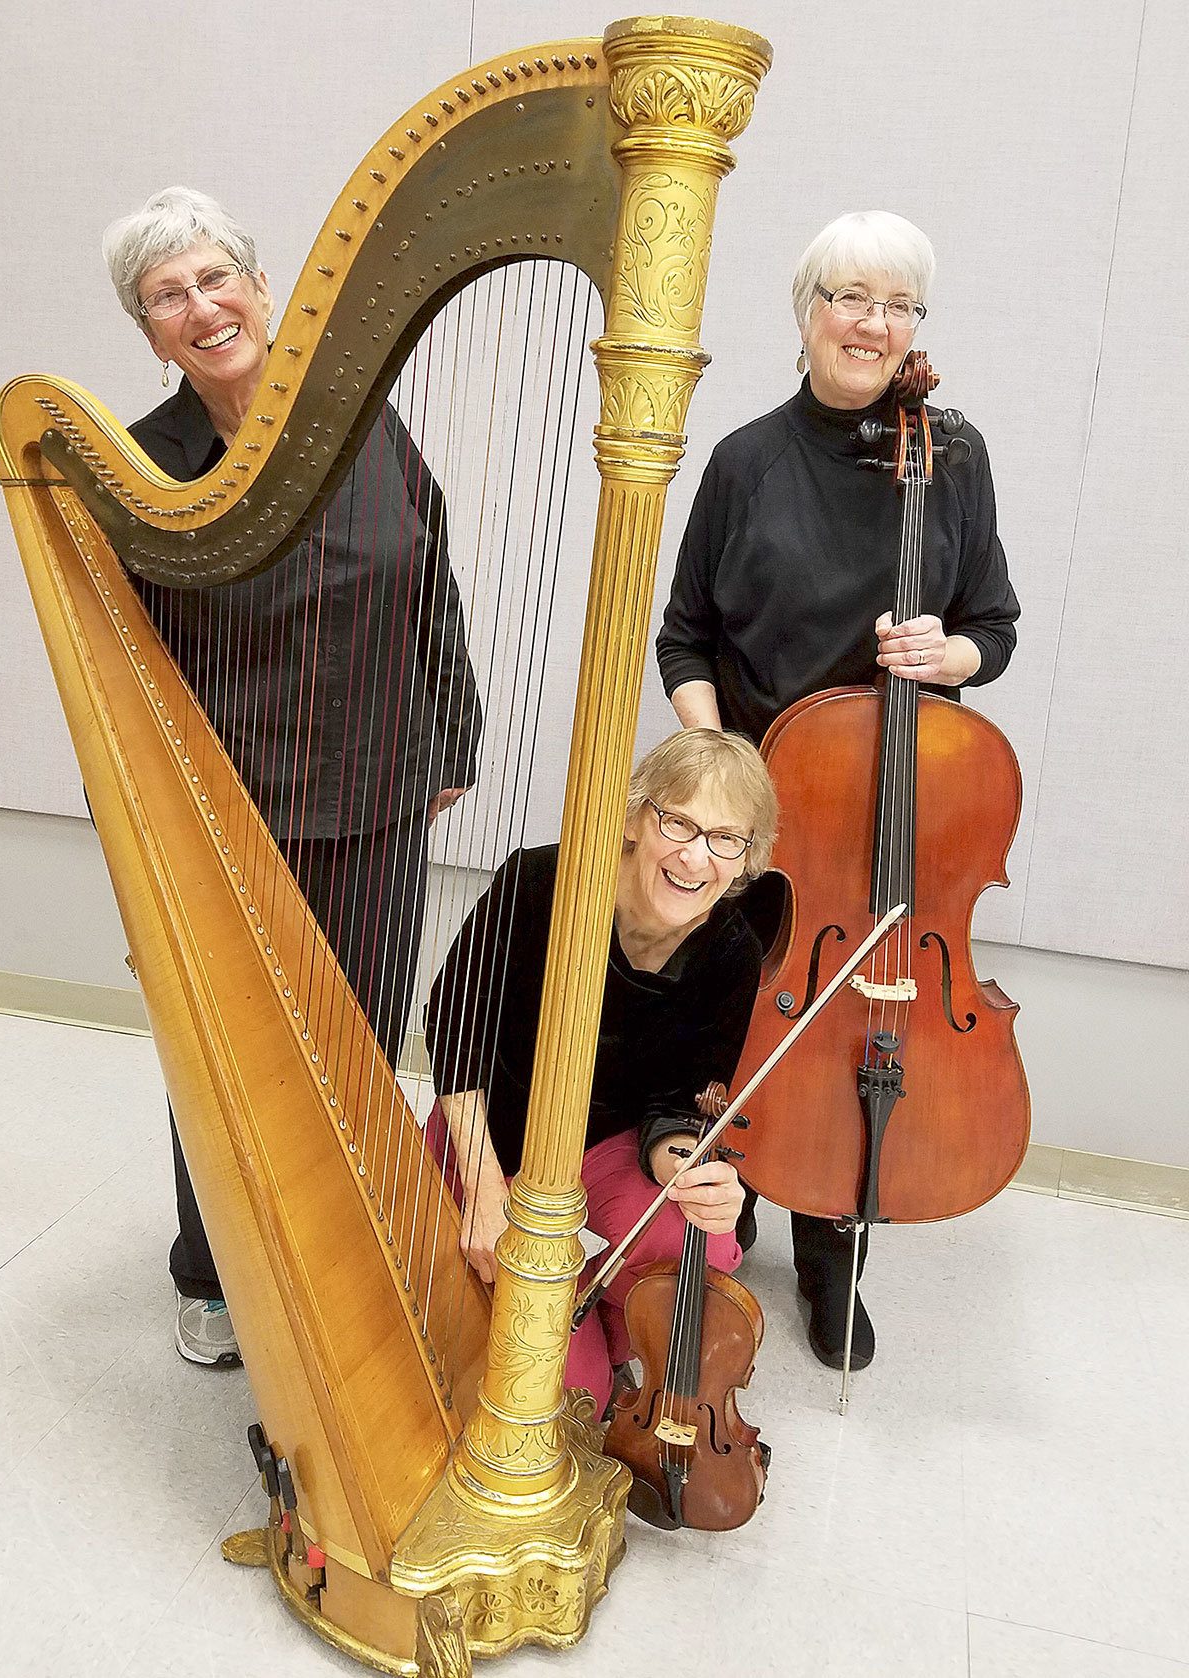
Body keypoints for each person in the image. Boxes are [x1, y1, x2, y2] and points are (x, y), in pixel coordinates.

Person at [102, 187, 482, 1367]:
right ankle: (211, 1271)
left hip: (376, 790)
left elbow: (429, 571)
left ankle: (344, 1244)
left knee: (359, 1038)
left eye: (217, 278)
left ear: (265, 291)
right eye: (169, 295)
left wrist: (450, 734)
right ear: (151, 331)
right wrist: (141, 834)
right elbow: (121, 666)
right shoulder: (138, 466)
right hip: (230, 810)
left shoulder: (357, 418)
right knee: (225, 1048)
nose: (201, 306)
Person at [656, 210, 1020, 1373]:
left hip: (891, 825)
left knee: (859, 1023)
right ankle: (730, 1200)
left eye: (897, 305)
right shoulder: (745, 461)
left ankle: (830, 1243)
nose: (872, 324)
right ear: (806, 310)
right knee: (733, 1005)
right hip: (761, 807)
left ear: (913, 327)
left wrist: (945, 657)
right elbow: (686, 637)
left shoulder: (947, 458)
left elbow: (992, 628)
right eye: (849, 298)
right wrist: (720, 774)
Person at [424, 728, 779, 1414]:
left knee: (692, 1243)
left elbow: (684, 1102)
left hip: (609, 1146)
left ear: (744, 860)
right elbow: (453, 1029)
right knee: (544, 1395)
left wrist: (691, 1170)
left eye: (725, 839)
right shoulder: (537, 882)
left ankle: (602, 1310)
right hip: (490, 1136)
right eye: (678, 821)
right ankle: (565, 1310)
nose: (695, 856)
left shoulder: (733, 952)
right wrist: (485, 1191)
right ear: (633, 819)